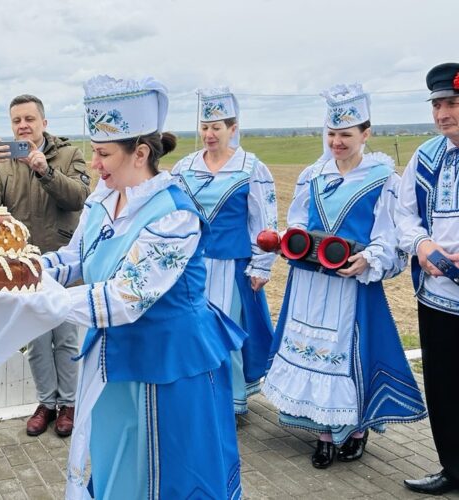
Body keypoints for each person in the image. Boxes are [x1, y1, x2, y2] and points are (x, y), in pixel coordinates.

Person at [44, 75, 246, 499]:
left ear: (140, 153)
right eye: (94, 151)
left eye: (103, 154)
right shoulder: (102, 199)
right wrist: (23, 272)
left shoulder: (173, 214)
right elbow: (75, 258)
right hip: (116, 360)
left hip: (170, 366)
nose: (94, 164)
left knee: (167, 473)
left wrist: (45, 302)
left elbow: (126, 297)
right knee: (119, 463)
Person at [262, 84, 427, 470]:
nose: (336, 142)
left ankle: (353, 430)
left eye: (346, 135)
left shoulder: (383, 179)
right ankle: (323, 434)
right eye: (332, 134)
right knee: (311, 351)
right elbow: (298, 221)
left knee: (345, 356)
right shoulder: (313, 175)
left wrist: (368, 258)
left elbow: (389, 236)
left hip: (349, 286)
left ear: (365, 134)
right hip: (310, 283)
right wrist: (291, 241)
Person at [0, 94, 90, 437]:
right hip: (22, 268)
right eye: (16, 121)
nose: (22, 126)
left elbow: (79, 198)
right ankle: (46, 403)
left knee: (65, 339)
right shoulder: (4, 162)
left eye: (29, 119)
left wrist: (45, 171)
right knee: (36, 341)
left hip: (63, 264)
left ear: (44, 123)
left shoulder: (69, 155)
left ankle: (69, 404)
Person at [172, 87, 278, 415]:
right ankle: (198, 395)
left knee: (224, 330)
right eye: (205, 127)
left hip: (231, 263)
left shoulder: (250, 167)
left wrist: (261, 264)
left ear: (233, 128)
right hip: (192, 264)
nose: (209, 134)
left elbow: (264, 220)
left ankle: (228, 401)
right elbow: (174, 213)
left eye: (216, 127)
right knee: (191, 329)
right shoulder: (185, 167)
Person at [396, 62, 459, 495]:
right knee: (444, 386)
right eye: (437, 105)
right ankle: (454, 468)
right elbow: (404, 214)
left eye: (452, 103)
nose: (442, 114)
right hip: (438, 294)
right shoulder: (426, 156)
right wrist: (421, 245)